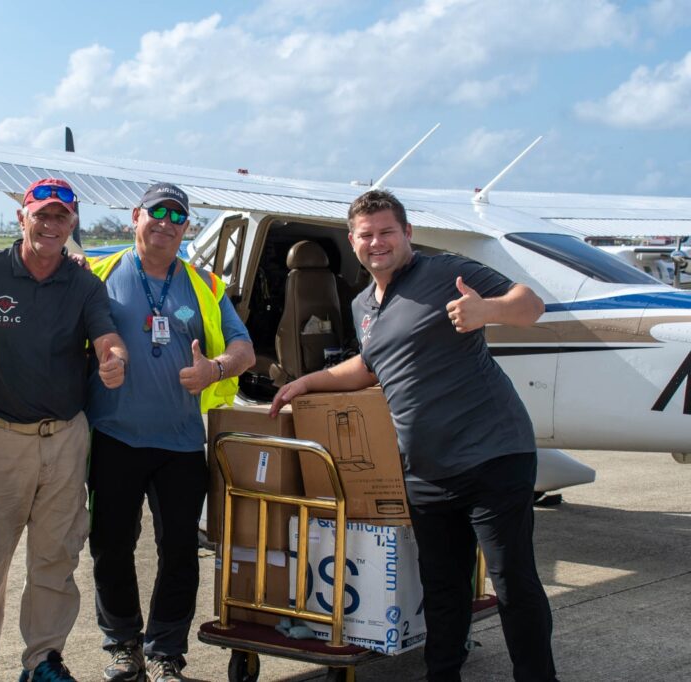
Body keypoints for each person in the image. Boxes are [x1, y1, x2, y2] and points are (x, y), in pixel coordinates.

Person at [270, 189, 557, 682]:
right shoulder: (363, 303)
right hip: (426, 472)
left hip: (493, 456)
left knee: (513, 582)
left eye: (386, 231)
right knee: (442, 589)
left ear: (408, 234)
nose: (376, 242)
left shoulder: (445, 272)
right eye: (366, 235)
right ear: (353, 242)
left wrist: (486, 311)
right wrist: (305, 382)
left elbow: (530, 305)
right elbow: (369, 367)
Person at [0, 177, 127, 682]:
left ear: (73, 225)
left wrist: (114, 359)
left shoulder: (84, 283)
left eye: (61, 218)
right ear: (21, 217)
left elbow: (106, 335)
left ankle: (43, 659)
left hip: (64, 440)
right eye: (42, 215)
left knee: (55, 558)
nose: (50, 225)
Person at [86, 182, 255, 682]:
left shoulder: (203, 283)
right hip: (114, 438)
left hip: (181, 444)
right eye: (155, 212)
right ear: (134, 217)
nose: (165, 222)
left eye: (176, 216)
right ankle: (122, 646)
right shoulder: (98, 274)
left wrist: (216, 370)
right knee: (111, 544)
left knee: (179, 549)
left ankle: (164, 654)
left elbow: (244, 349)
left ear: (187, 228)